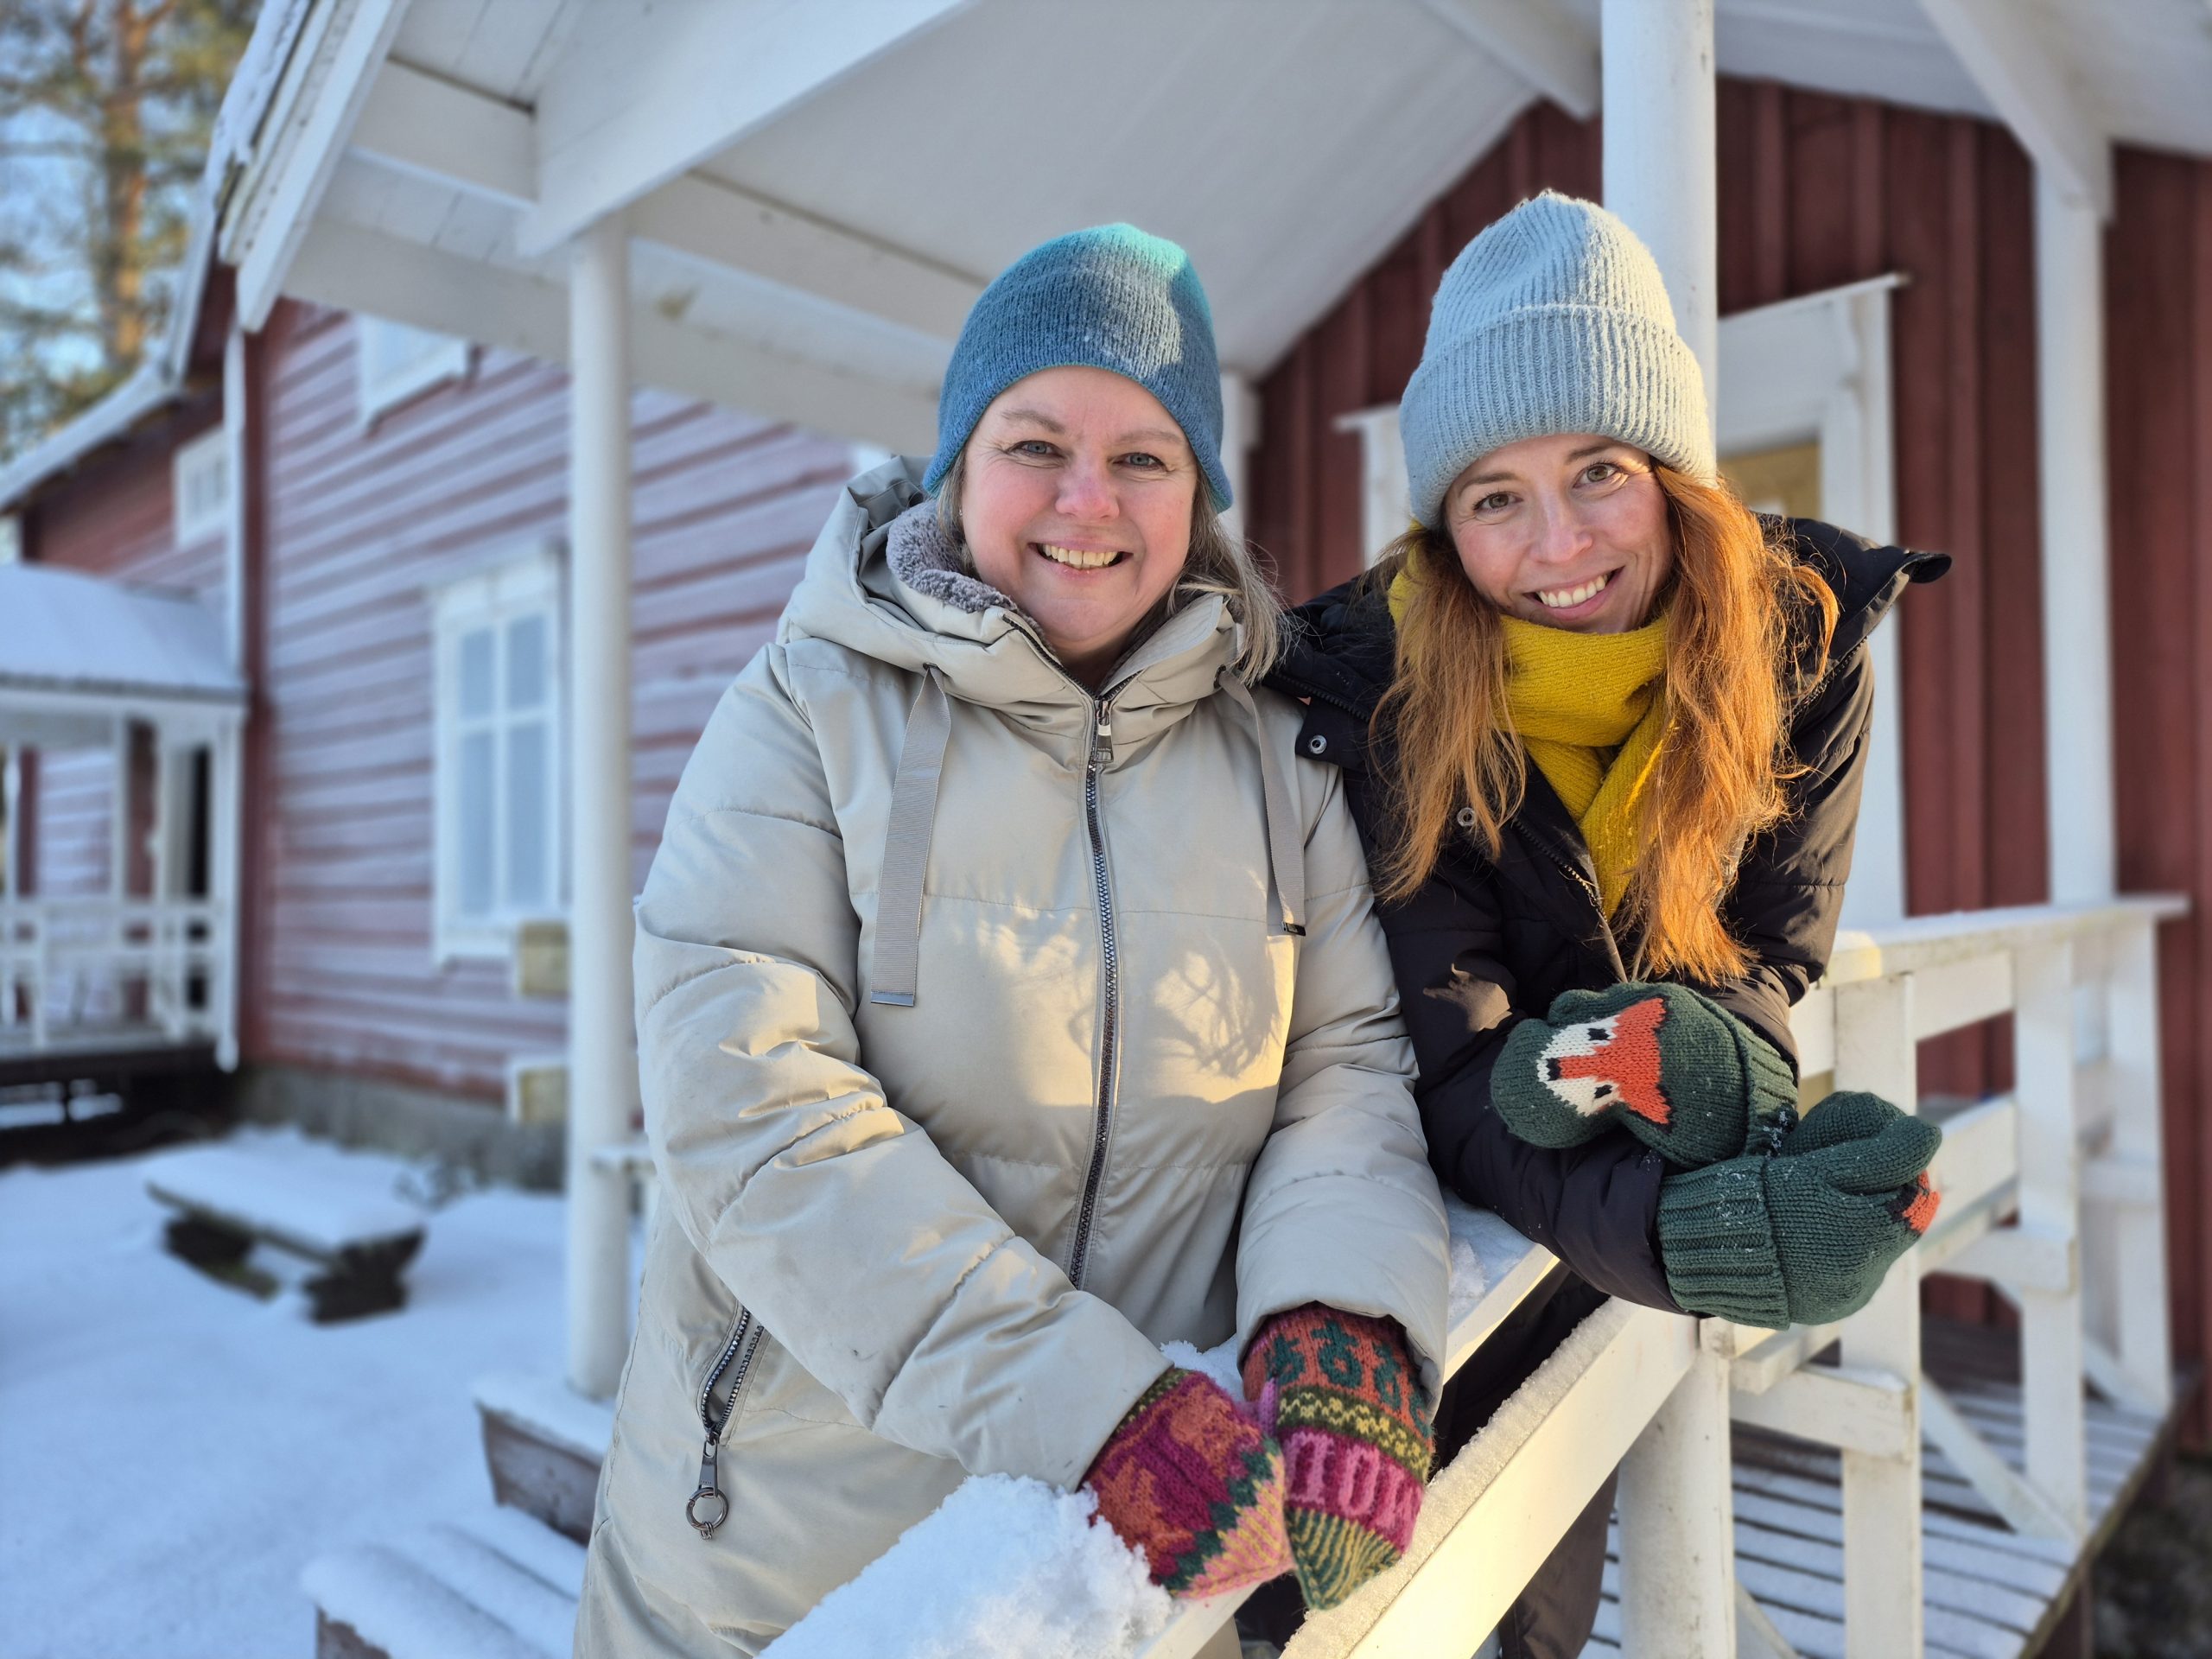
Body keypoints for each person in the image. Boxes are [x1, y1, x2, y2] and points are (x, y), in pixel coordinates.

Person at [575, 225, 1451, 1656]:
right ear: (958, 470)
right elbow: (752, 1111)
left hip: (1128, 1569)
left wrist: (1334, 1307)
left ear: (1202, 498)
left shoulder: (1276, 759)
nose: (1086, 500)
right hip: (781, 1572)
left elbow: (1342, 1066)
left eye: (1146, 456)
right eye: (1035, 442)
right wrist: (1085, 1406)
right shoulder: (807, 710)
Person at [1262, 191, 1948, 1656]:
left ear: (1675, 475)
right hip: (1426, 1203)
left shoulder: (1802, 642)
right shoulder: (1378, 692)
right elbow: (1451, 1052)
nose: (1557, 544)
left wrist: (1723, 1071)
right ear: (1444, 525)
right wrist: (1676, 1240)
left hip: (1581, 1194)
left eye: (1598, 473)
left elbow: (1770, 953)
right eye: (1495, 496)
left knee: (1527, 1606)